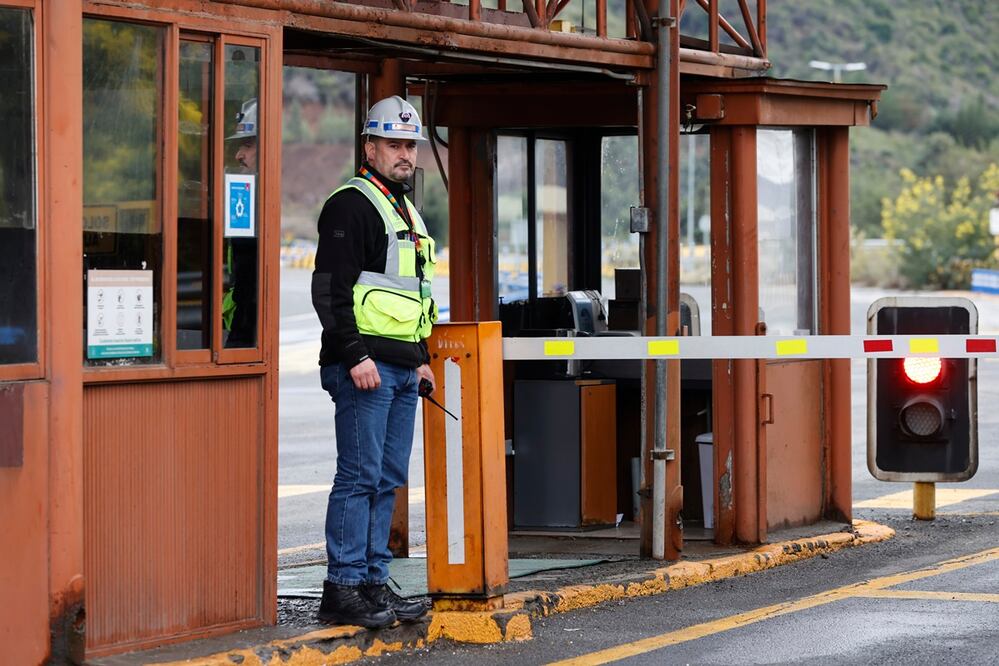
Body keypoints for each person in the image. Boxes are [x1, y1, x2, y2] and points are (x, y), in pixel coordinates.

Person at [311, 95, 438, 628]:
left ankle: (371, 581)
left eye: (410, 145)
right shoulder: (351, 204)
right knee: (359, 477)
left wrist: (422, 359)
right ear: (370, 147)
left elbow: (414, 294)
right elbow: (328, 292)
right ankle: (342, 586)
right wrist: (355, 354)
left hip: (402, 368)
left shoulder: (404, 208)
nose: (404, 153)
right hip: (363, 367)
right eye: (394, 144)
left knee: (387, 478)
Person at [223, 98, 259, 348]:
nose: (239, 155)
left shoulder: (263, 203)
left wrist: (238, 338)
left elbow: (249, 281)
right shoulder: (246, 196)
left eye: (247, 145)